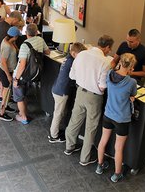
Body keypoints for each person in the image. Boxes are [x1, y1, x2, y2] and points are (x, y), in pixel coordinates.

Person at [64, 35, 113, 166]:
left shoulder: (82, 54)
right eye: (109, 49)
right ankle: (84, 158)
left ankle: (69, 146)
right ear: (107, 47)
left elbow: (72, 75)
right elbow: (103, 86)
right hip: (94, 97)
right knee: (90, 127)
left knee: (75, 120)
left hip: (80, 92)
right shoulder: (106, 62)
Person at [96, 53, 137, 183]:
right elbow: (132, 95)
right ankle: (117, 174)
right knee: (118, 148)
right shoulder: (131, 82)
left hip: (108, 114)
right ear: (131, 66)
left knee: (103, 141)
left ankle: (99, 166)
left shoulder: (109, 74)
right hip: (122, 119)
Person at [48, 42, 87, 143]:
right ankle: (54, 136)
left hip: (56, 88)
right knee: (58, 113)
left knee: (58, 112)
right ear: (74, 53)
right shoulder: (72, 62)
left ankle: (54, 132)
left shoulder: (67, 59)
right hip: (61, 92)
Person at [13, 23, 50, 124]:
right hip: (32, 74)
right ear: (36, 32)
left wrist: (16, 79)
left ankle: (23, 117)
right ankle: (24, 111)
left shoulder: (25, 45)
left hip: (22, 75)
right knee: (24, 94)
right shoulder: (40, 40)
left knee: (19, 97)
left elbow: (22, 65)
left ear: (26, 33)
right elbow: (47, 52)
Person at [0, 11, 25, 105]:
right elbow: (10, 43)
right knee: (6, 84)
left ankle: (1, 97)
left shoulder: (0, 24)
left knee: (4, 82)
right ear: (15, 19)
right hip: (4, 58)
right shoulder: (8, 29)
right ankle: (3, 106)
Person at [0, 27, 21, 122]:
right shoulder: (7, 46)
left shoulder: (6, 40)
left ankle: (6, 106)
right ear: (15, 37)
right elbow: (3, 62)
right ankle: (1, 113)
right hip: (6, 71)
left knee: (6, 92)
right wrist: (8, 75)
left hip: (8, 70)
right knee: (6, 93)